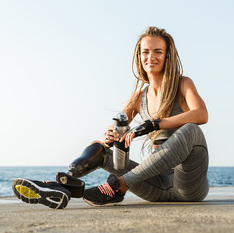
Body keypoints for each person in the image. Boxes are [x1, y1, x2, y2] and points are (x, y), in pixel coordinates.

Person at [12, 26, 209, 209]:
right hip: (156, 186)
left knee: (192, 130)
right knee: (100, 148)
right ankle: (64, 183)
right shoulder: (138, 99)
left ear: (167, 56)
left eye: (158, 51)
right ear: (139, 56)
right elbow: (113, 133)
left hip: (188, 186)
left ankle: (118, 186)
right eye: (145, 52)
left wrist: (153, 124)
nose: (151, 57)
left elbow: (201, 114)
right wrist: (110, 137)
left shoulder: (183, 84)